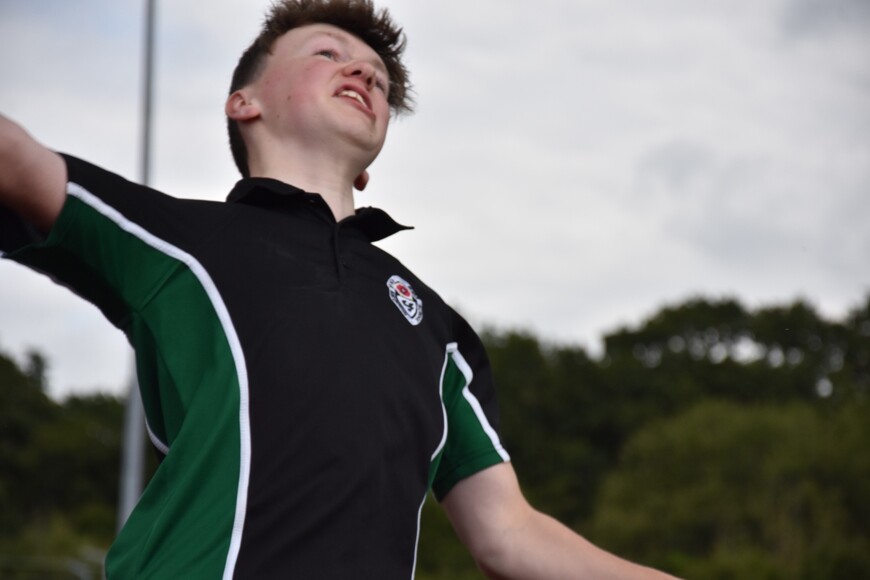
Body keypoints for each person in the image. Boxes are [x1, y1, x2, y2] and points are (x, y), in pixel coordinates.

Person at [0, 1, 679, 578]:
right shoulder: (177, 237)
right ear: (244, 103)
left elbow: (509, 533)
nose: (363, 73)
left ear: (370, 167)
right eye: (328, 53)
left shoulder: (437, 329)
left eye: (378, 77)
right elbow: (17, 162)